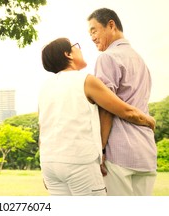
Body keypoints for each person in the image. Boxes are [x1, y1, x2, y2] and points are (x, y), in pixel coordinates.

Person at [38, 37, 155, 196]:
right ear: (68, 54)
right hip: (78, 162)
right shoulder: (86, 80)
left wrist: (46, 166)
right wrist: (149, 120)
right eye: (75, 46)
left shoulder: (45, 87)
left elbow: (42, 129)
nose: (80, 49)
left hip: (49, 163)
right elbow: (124, 111)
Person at [87, 8, 157, 196]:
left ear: (111, 25)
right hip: (146, 152)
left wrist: (100, 149)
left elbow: (106, 109)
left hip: (119, 153)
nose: (92, 37)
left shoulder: (107, 58)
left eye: (94, 30)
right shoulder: (140, 60)